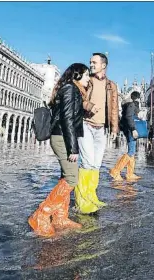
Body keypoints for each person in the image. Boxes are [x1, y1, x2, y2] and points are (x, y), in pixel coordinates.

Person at [28, 63, 89, 237]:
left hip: (63, 137)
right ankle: (41, 215)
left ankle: (60, 217)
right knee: (71, 179)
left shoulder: (70, 89)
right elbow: (67, 119)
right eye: (86, 75)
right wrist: (73, 147)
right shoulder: (70, 89)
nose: (88, 78)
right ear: (76, 75)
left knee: (65, 176)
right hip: (63, 138)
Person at [75, 53, 119, 214]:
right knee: (86, 162)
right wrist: (88, 106)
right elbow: (77, 98)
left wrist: (114, 128)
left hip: (101, 128)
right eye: (90, 62)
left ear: (103, 65)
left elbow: (114, 107)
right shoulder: (87, 80)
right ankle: (82, 201)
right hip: (86, 124)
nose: (91, 64)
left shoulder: (111, 85)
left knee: (96, 164)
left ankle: (91, 195)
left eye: (94, 62)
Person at [110, 91, 142, 181]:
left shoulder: (129, 104)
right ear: (138, 98)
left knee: (132, 151)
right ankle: (115, 170)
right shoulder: (132, 105)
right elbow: (129, 117)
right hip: (130, 130)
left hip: (128, 129)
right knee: (131, 151)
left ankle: (130, 174)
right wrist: (133, 129)